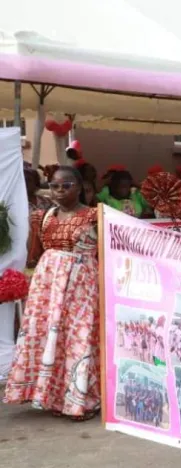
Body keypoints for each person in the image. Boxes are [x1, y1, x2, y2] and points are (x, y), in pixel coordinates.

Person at [4, 166, 101, 420]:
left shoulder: (95, 216)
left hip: (82, 284)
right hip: (48, 286)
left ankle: (82, 401)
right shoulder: (43, 217)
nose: (59, 191)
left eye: (66, 185)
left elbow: (108, 252)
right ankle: (54, 397)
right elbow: (34, 253)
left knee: (79, 337)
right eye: (54, 186)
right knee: (50, 338)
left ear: (79, 187)